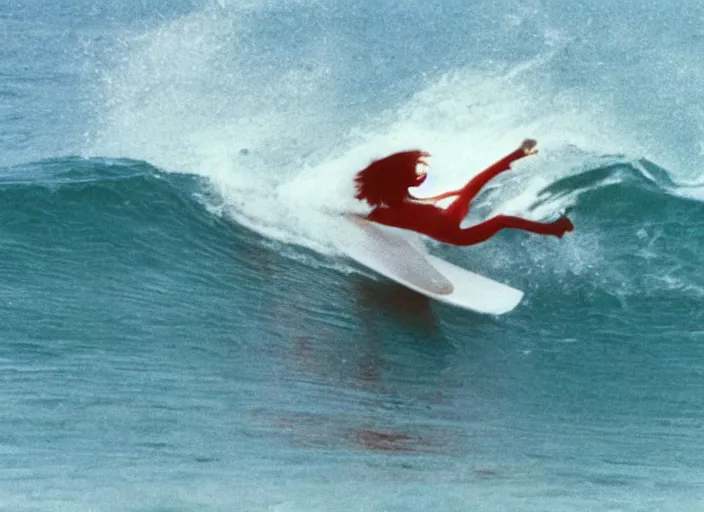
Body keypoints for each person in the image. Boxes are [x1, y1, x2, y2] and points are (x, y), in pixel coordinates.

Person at [353, 139, 574, 246]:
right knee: (501, 220)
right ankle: (552, 230)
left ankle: (517, 154)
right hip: (455, 235)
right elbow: (370, 219)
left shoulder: (396, 201)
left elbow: (414, 208)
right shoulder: (385, 213)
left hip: (447, 218)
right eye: (413, 172)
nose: (419, 174)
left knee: (470, 187)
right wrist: (351, 221)